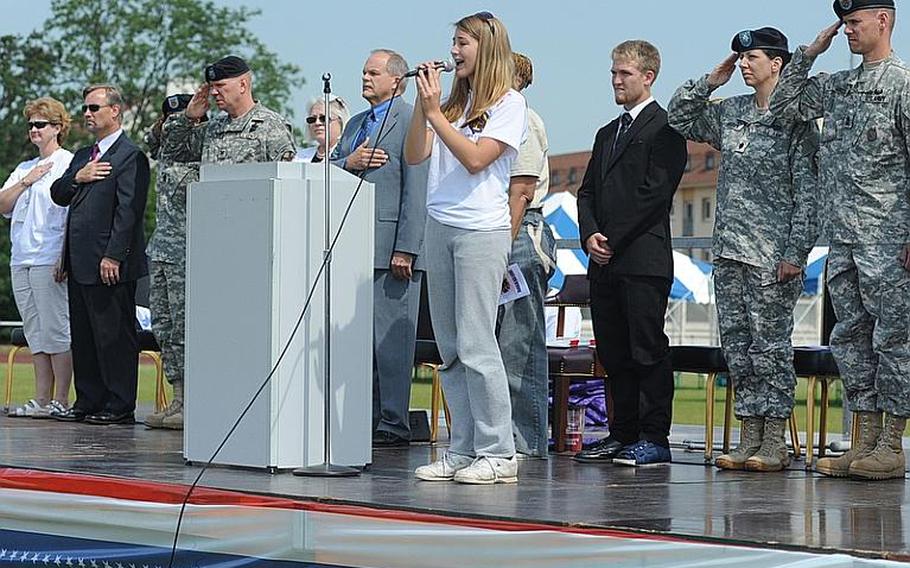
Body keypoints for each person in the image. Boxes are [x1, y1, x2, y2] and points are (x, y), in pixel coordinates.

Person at [770, 0, 910, 481]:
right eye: (844, 23)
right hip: (844, 240)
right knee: (851, 339)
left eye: (854, 22)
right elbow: (784, 104)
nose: (847, 30)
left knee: (895, 339)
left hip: (889, 239)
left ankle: (892, 444)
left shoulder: (903, 85)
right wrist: (809, 53)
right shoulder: (839, 86)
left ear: (883, 21)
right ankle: (864, 440)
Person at [668, 28, 819, 472]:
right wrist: (710, 81)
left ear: (778, 63)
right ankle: (748, 435)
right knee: (737, 346)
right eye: (741, 57)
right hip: (731, 252)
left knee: (769, 348)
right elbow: (680, 116)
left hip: (773, 256)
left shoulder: (796, 120)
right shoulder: (731, 112)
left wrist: (796, 252)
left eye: (752, 56)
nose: (744, 64)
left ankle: (774, 441)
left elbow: (807, 193)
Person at [405, 11, 527, 484]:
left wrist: (436, 114)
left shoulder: (509, 103)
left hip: (482, 230)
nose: (454, 52)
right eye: (453, 43)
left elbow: (477, 160)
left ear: (486, 48)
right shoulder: (452, 103)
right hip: (441, 225)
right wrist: (425, 106)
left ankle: (500, 451)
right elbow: (416, 154)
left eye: (463, 44)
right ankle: (464, 447)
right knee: (450, 347)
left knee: (478, 343)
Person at [574, 40, 687, 466]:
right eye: (613, 73)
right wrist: (590, 236)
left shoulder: (666, 128)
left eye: (624, 73)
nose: (616, 81)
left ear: (647, 76)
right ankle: (621, 434)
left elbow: (653, 195)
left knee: (646, 349)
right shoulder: (607, 133)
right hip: (603, 262)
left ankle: (654, 436)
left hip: (642, 260)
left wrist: (612, 239)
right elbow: (586, 193)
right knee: (614, 352)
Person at [331, 49, 428, 447]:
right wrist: (349, 162)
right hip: (350, 249)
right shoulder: (354, 124)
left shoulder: (412, 120)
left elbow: (417, 187)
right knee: (358, 343)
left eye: (373, 72)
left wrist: (406, 247)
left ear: (397, 80)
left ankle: (393, 421)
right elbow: (327, 168)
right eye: (363, 71)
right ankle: (365, 418)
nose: (365, 78)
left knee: (391, 344)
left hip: (391, 252)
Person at [50, 84, 151, 425]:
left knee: (114, 337)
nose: (88, 114)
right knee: (85, 336)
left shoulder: (129, 156)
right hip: (79, 262)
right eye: (86, 109)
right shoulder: (82, 157)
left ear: (115, 111)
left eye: (94, 108)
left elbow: (129, 212)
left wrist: (114, 255)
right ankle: (89, 399)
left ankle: (119, 403)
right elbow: (58, 194)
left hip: (109, 263)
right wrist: (78, 177)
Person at [497, 52, 556, 459]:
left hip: (518, 232)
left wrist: (503, 243)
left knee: (519, 343)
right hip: (498, 229)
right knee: (498, 344)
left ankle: (527, 440)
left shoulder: (524, 122)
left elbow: (521, 191)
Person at [0, 97, 74, 418]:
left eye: (40, 124)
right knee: (35, 331)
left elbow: (73, 215)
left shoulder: (68, 163)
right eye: (30, 124)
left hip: (50, 256)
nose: (34, 129)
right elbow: (3, 204)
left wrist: (65, 256)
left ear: (57, 128)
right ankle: (42, 398)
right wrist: (26, 182)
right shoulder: (23, 168)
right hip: (22, 257)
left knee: (56, 329)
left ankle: (61, 398)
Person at [142, 94, 201, 431]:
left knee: (183, 327)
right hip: (162, 250)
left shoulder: (197, 157)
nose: (170, 123)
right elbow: (153, 141)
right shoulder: (164, 156)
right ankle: (176, 397)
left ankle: (191, 400)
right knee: (163, 327)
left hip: (186, 252)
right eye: (167, 117)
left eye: (179, 117)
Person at [167, 55, 297, 164]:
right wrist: (188, 117)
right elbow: (172, 154)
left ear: (242, 85)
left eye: (220, 85)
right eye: (211, 86)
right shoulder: (212, 128)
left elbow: (286, 177)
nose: (213, 92)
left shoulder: (271, 126)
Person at [298, 96, 350, 163]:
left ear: (341, 121)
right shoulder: (299, 156)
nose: (317, 123)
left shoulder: (348, 155)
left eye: (324, 119)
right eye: (312, 119)